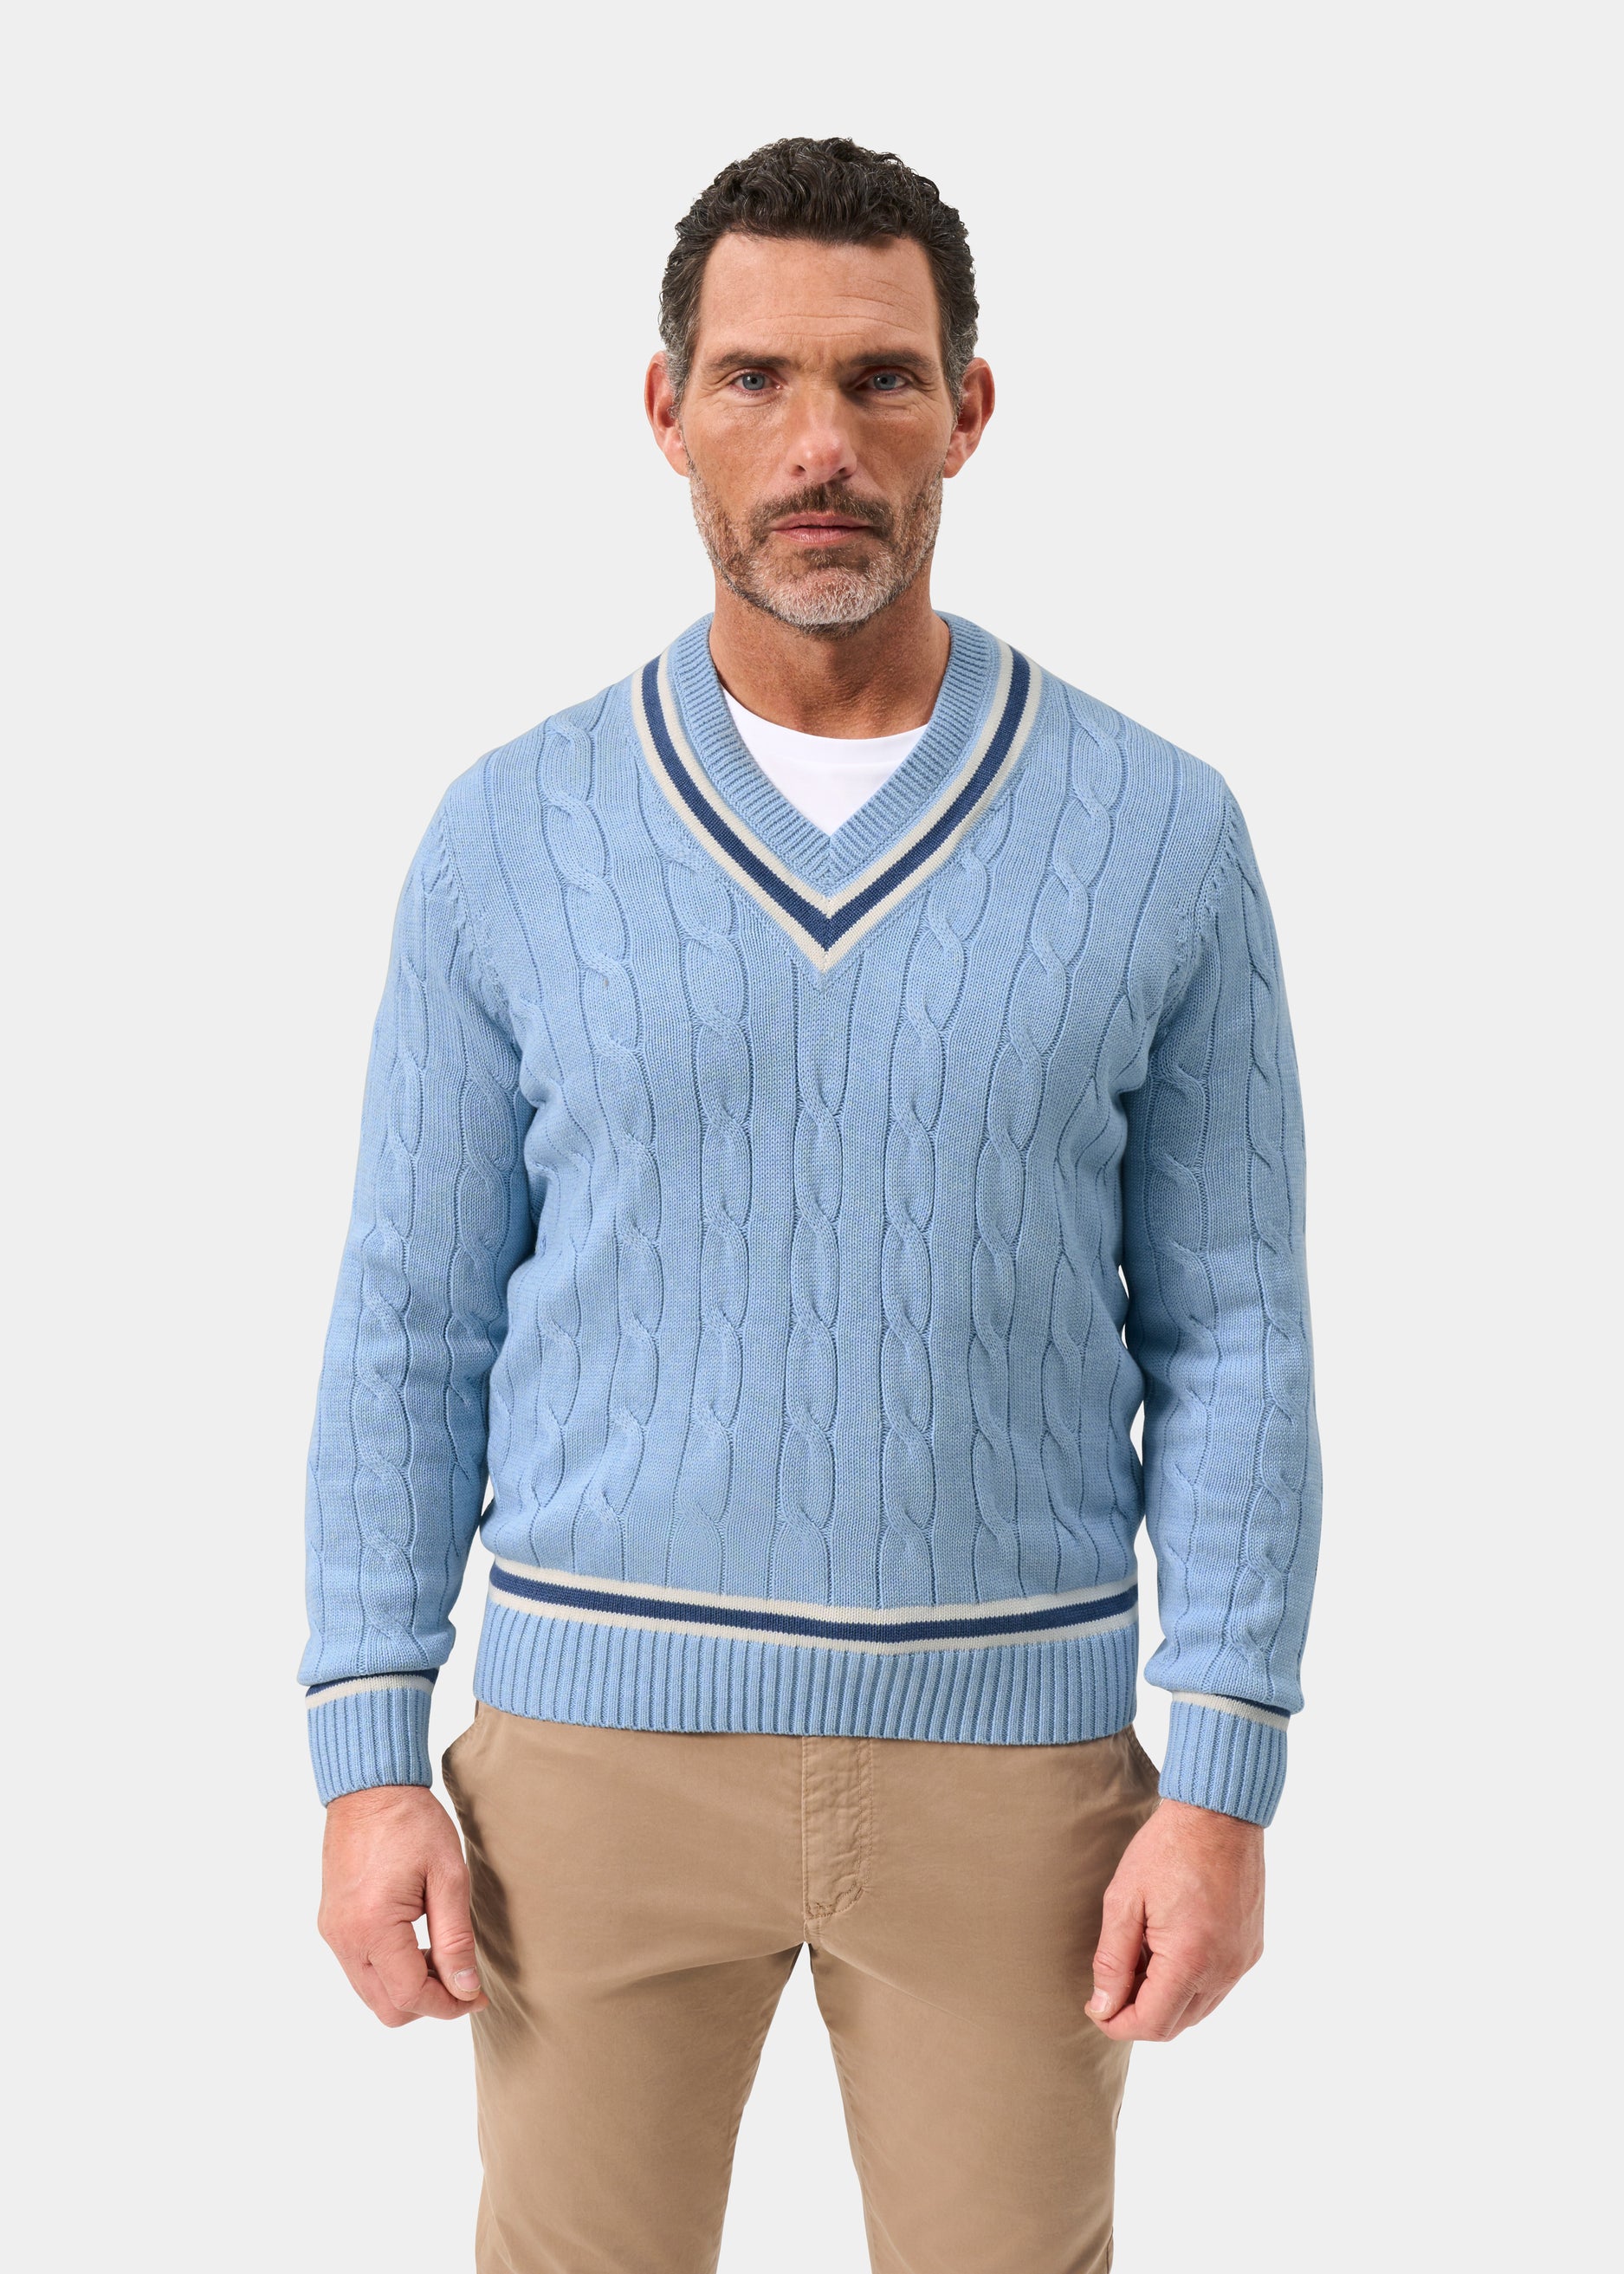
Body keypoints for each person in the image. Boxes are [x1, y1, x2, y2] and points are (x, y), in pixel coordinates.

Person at [301, 134, 1323, 2274]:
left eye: (877, 378)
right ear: (664, 410)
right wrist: (366, 1751)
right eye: (756, 377)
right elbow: (410, 1317)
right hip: (588, 1761)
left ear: (967, 408)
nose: (818, 442)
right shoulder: (508, 833)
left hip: (1015, 1777)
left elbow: (1229, 1327)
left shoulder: (1157, 831)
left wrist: (1222, 1772)